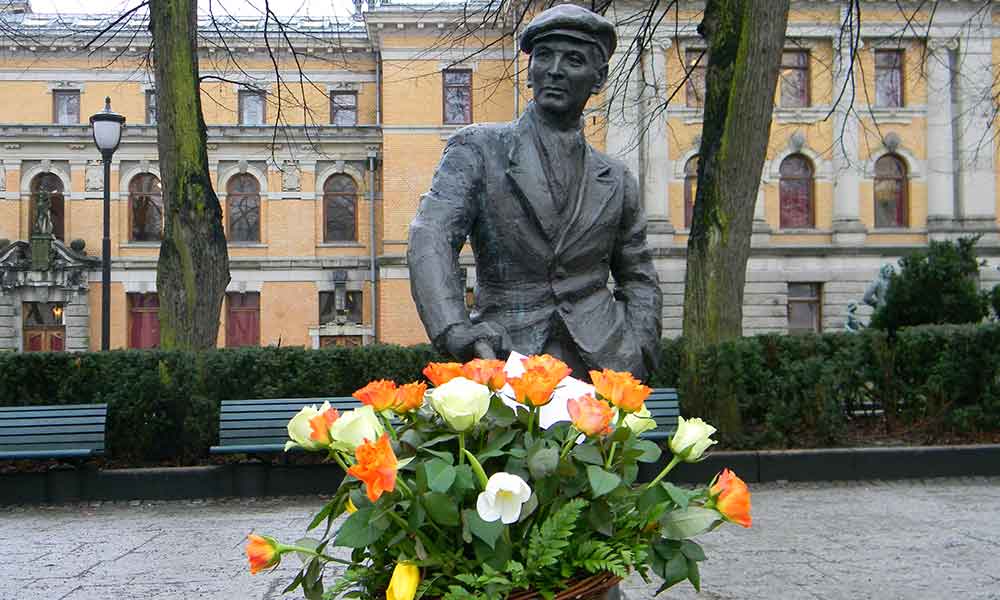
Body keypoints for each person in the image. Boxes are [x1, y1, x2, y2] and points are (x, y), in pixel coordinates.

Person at [407, 4, 662, 381]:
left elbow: (638, 275)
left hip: (604, 364)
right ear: (530, 71)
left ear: (598, 77)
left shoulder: (617, 178)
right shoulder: (478, 149)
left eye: (573, 60)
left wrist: (638, 345)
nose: (555, 70)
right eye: (544, 56)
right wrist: (454, 329)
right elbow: (431, 235)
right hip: (506, 358)